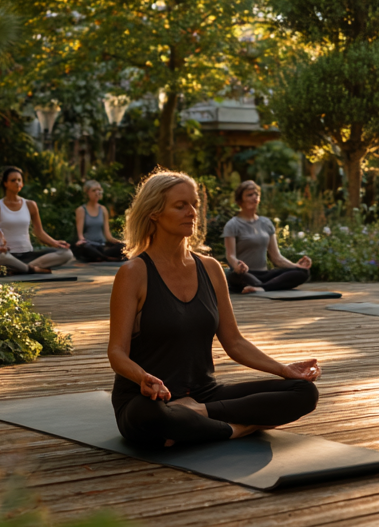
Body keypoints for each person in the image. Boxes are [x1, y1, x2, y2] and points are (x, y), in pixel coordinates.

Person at [107, 170, 321, 448]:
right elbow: (117, 352)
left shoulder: (210, 268)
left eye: (194, 204)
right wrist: (142, 377)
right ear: (154, 213)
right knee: (149, 417)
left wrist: (284, 369)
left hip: (204, 395)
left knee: (304, 391)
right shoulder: (134, 273)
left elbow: (234, 342)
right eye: (180, 205)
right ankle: (237, 429)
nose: (192, 212)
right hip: (149, 399)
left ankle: (199, 417)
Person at [221, 181, 312, 294]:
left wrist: (296, 266)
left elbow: (276, 257)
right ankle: (267, 286)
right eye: (249, 195)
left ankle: (261, 287)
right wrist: (237, 266)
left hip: (265, 274)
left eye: (256, 194)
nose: (254, 197)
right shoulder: (233, 224)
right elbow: (230, 255)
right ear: (240, 201)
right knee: (235, 277)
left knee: (303, 272)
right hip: (244, 274)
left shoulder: (266, 223)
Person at [0, 166, 73, 276]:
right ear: (5, 183)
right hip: (8, 256)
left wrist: (56, 243)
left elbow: (39, 233)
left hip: (28, 255)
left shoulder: (30, 205)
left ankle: (20, 269)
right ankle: (32, 269)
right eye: (13, 180)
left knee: (67, 253)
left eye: (19, 180)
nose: (17, 183)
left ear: (22, 184)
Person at [73, 180, 126, 262]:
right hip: (89, 246)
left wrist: (121, 242)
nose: (97, 193)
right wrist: (81, 242)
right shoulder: (81, 210)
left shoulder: (103, 209)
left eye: (99, 190)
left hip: (101, 247)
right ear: (87, 193)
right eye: (94, 190)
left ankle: (101, 257)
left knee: (123, 246)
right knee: (85, 247)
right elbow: (80, 236)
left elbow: (108, 236)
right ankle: (107, 258)